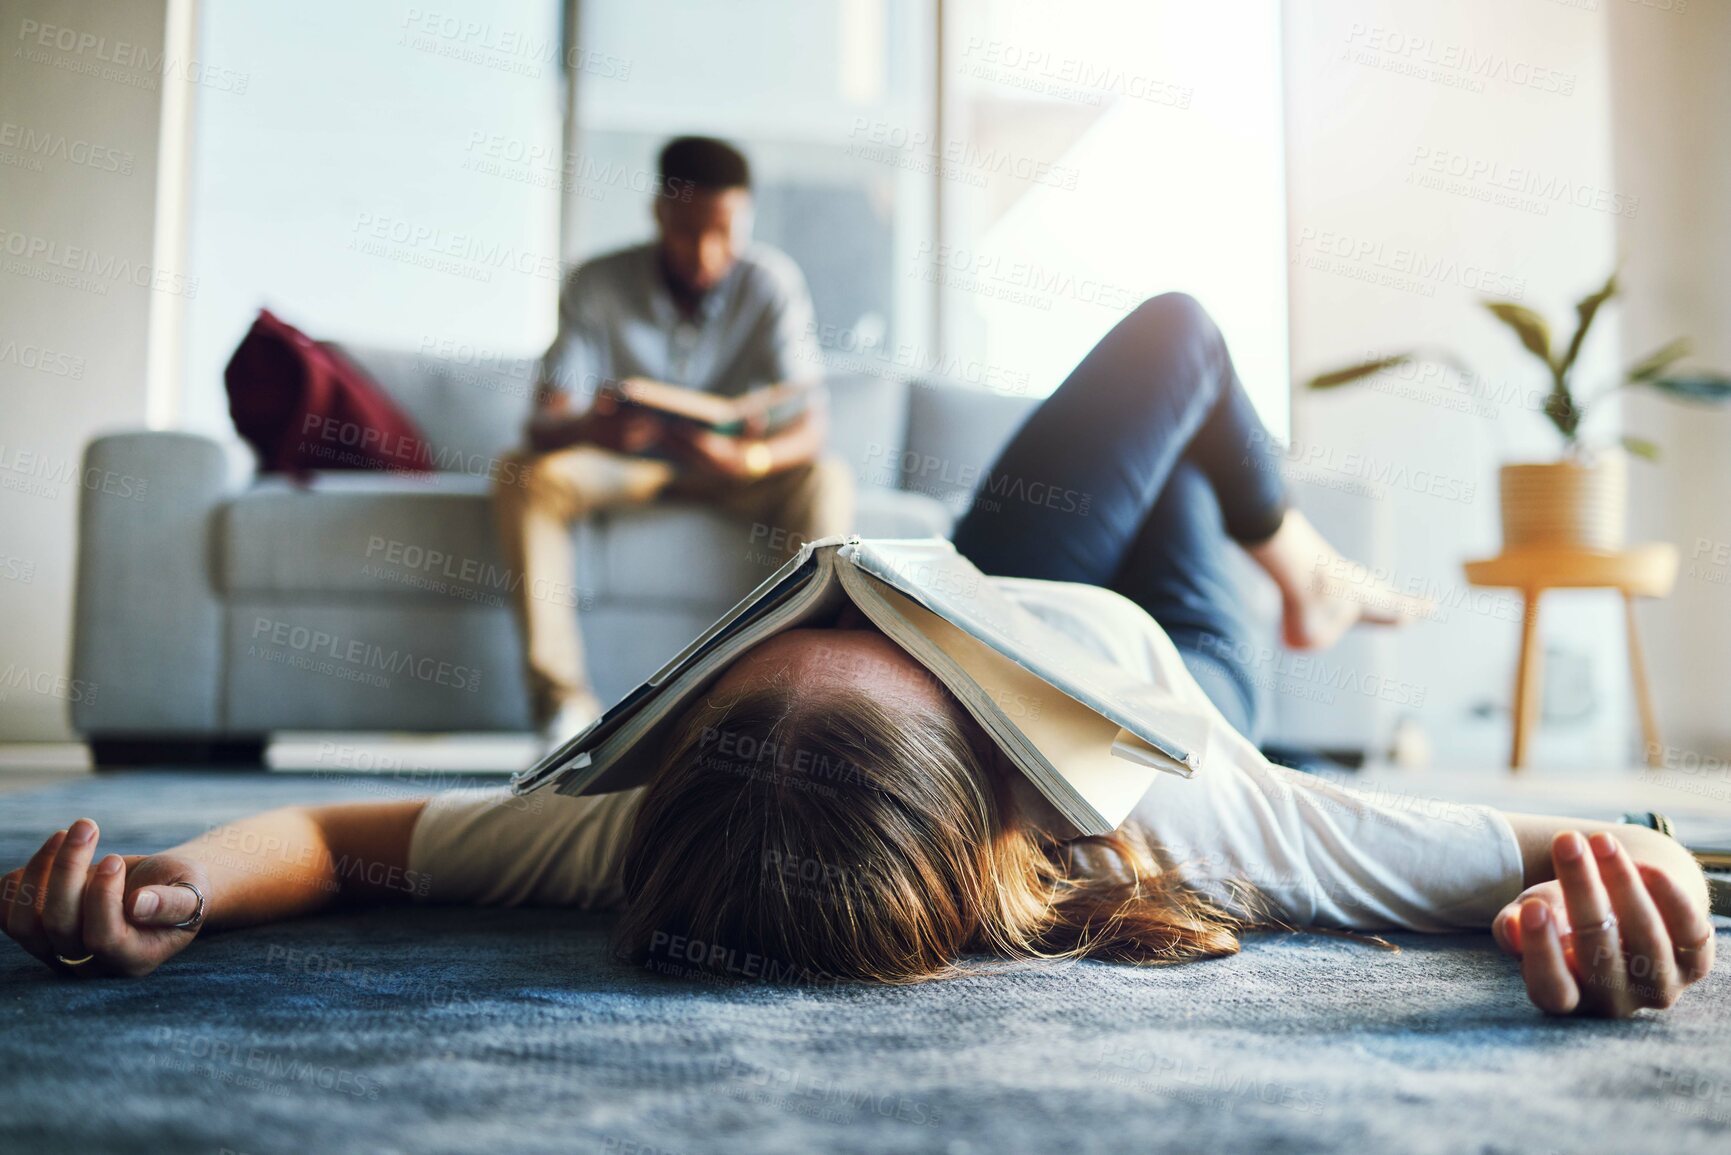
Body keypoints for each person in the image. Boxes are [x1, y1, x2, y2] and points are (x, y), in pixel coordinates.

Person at [4, 296, 1714, 1018]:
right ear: (996, 788)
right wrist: (1624, 902)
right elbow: (1617, 850)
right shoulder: (1201, 825)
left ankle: (1300, 556)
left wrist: (179, 886)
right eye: (877, 635)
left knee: (1166, 359)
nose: (826, 599)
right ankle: (1298, 580)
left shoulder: (643, 814)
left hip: (1016, 569)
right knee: (1182, 340)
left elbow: (317, 840)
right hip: (1177, 668)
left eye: (805, 623)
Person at [496, 135, 854, 746]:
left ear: (746, 219)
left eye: (725, 233)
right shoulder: (596, 283)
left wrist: (751, 456)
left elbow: (811, 424)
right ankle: (562, 704)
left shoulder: (771, 285)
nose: (707, 254)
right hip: (625, 466)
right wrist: (591, 428)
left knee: (827, 478)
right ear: (660, 211)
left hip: (731, 470)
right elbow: (542, 424)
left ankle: (799, 698)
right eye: (690, 232)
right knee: (522, 475)